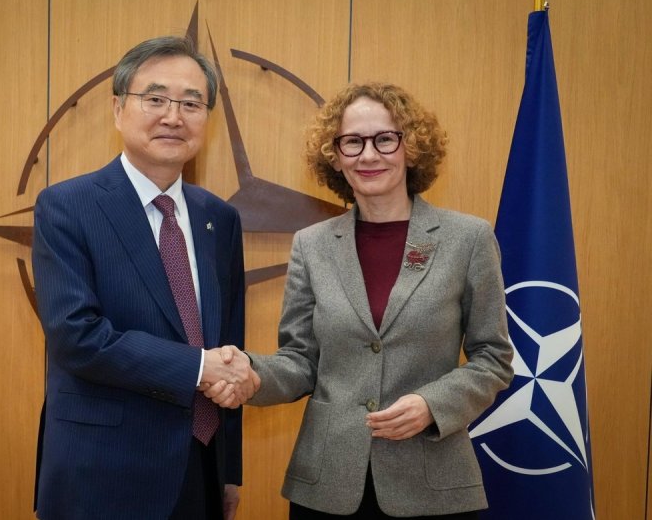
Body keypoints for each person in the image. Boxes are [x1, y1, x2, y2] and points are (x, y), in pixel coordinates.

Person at [205, 82, 514, 519]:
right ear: (334, 156)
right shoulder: (311, 245)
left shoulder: (468, 239)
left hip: (433, 487)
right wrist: (252, 375)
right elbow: (300, 361)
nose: (368, 155)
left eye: (385, 139)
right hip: (326, 486)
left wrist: (433, 404)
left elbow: (493, 358)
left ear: (412, 147)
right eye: (352, 142)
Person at [32, 36, 259, 520]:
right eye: (155, 99)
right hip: (103, 472)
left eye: (191, 104)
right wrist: (198, 367)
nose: (173, 117)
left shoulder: (219, 218)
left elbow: (229, 344)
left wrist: (229, 470)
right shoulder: (66, 206)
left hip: (201, 466)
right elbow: (77, 337)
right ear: (118, 109)